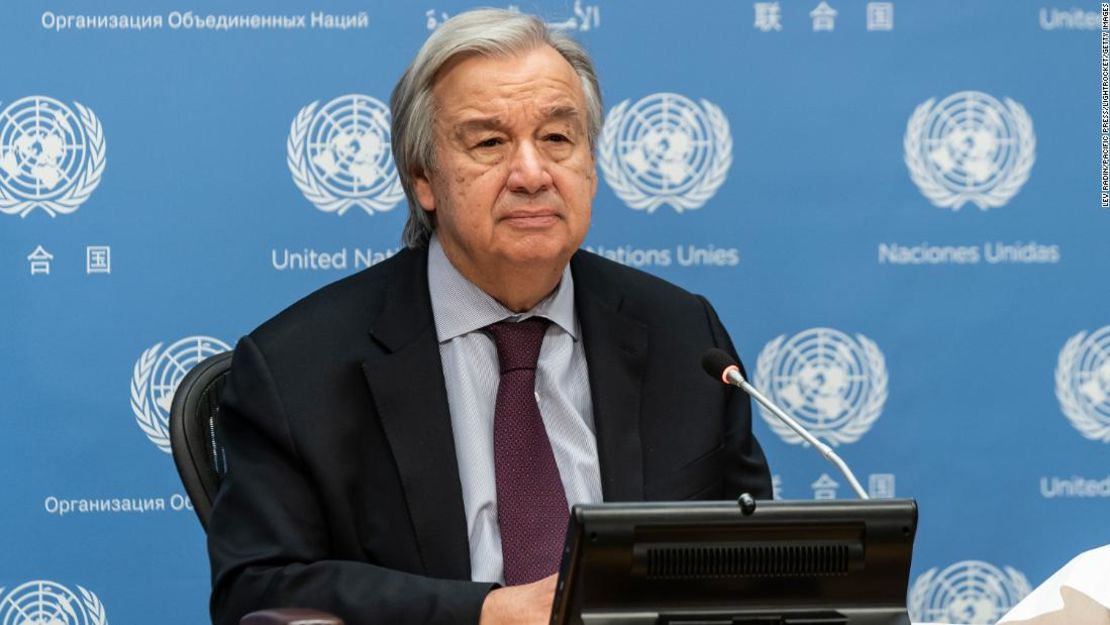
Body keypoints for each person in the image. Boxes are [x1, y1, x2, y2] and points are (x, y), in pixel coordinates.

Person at [208, 9, 771, 625]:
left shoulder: (684, 337)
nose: (532, 175)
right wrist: (488, 613)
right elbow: (259, 591)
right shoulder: (298, 368)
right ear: (423, 178)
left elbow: (754, 563)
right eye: (489, 143)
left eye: (558, 139)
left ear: (590, 163)